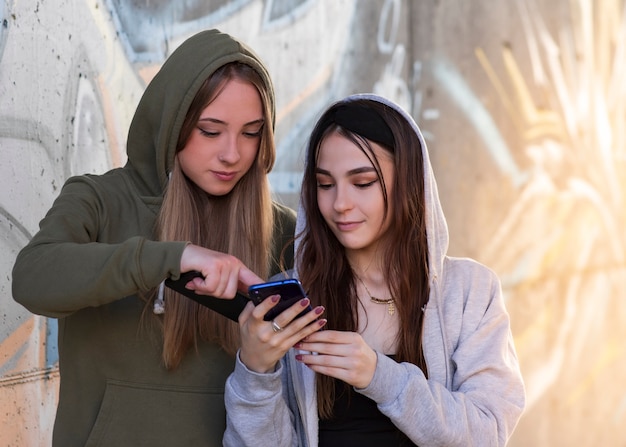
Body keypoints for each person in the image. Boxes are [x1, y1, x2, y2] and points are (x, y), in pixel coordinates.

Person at [11, 29, 296, 446]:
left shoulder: (281, 231)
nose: (232, 154)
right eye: (210, 131)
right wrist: (170, 259)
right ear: (171, 122)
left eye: (251, 133)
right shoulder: (99, 200)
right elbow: (32, 279)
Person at [223, 94, 526, 446]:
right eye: (325, 184)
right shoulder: (290, 302)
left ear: (409, 181)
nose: (340, 203)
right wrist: (256, 372)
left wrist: (379, 376)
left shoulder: (469, 292)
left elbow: (488, 432)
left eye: (362, 182)